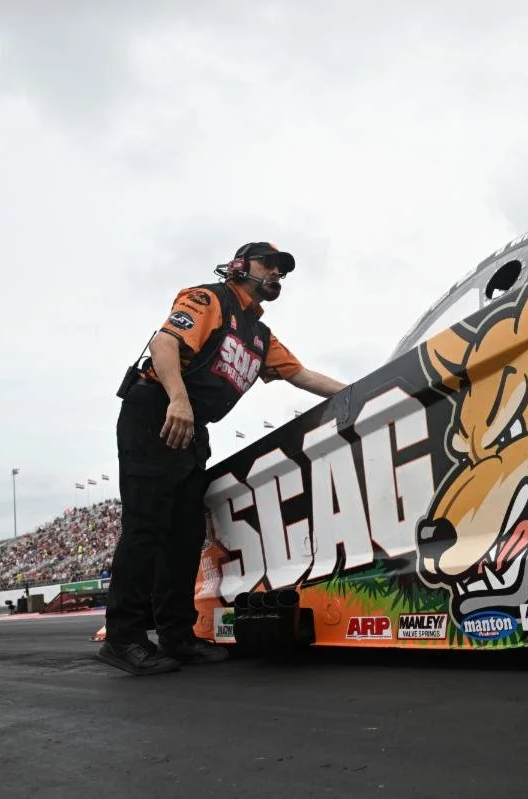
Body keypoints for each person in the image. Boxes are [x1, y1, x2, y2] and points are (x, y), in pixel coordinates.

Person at [98, 242, 347, 676]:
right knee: (147, 527)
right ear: (239, 266)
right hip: (158, 408)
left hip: (192, 428)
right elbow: (163, 343)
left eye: (282, 270)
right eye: (268, 264)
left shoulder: (260, 335)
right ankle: (124, 638)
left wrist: (365, 390)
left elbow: (303, 375)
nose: (276, 274)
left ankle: (177, 636)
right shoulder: (209, 298)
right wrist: (177, 399)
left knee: (183, 536)